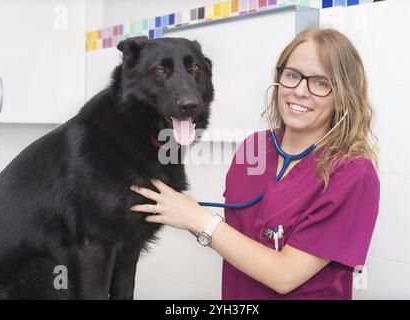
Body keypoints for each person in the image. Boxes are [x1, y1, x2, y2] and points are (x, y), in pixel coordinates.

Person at [129, 27, 380, 300]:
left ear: (343, 95)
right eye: (292, 76)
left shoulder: (352, 172)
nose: (299, 91)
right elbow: (236, 243)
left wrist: (198, 218)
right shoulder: (254, 148)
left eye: (320, 83)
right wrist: (183, 213)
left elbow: (285, 276)